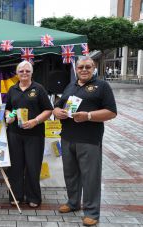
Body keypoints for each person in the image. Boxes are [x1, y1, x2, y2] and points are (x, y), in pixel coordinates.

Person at [53, 56, 117, 226]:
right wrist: (57, 111)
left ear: (94, 68)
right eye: (80, 67)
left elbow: (111, 112)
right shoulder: (70, 86)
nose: (84, 70)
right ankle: (73, 203)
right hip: (67, 137)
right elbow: (59, 105)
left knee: (90, 177)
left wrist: (88, 116)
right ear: (76, 68)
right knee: (71, 174)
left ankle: (92, 212)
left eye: (87, 67)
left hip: (89, 140)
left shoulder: (102, 86)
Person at [5, 60, 53, 208]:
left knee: (33, 166)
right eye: (21, 71)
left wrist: (35, 121)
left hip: (35, 134)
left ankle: (33, 197)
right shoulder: (12, 90)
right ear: (17, 73)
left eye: (27, 71)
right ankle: (16, 196)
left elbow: (48, 110)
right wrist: (9, 116)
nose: (24, 73)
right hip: (14, 134)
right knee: (15, 167)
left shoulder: (39, 89)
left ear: (32, 73)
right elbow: (8, 108)